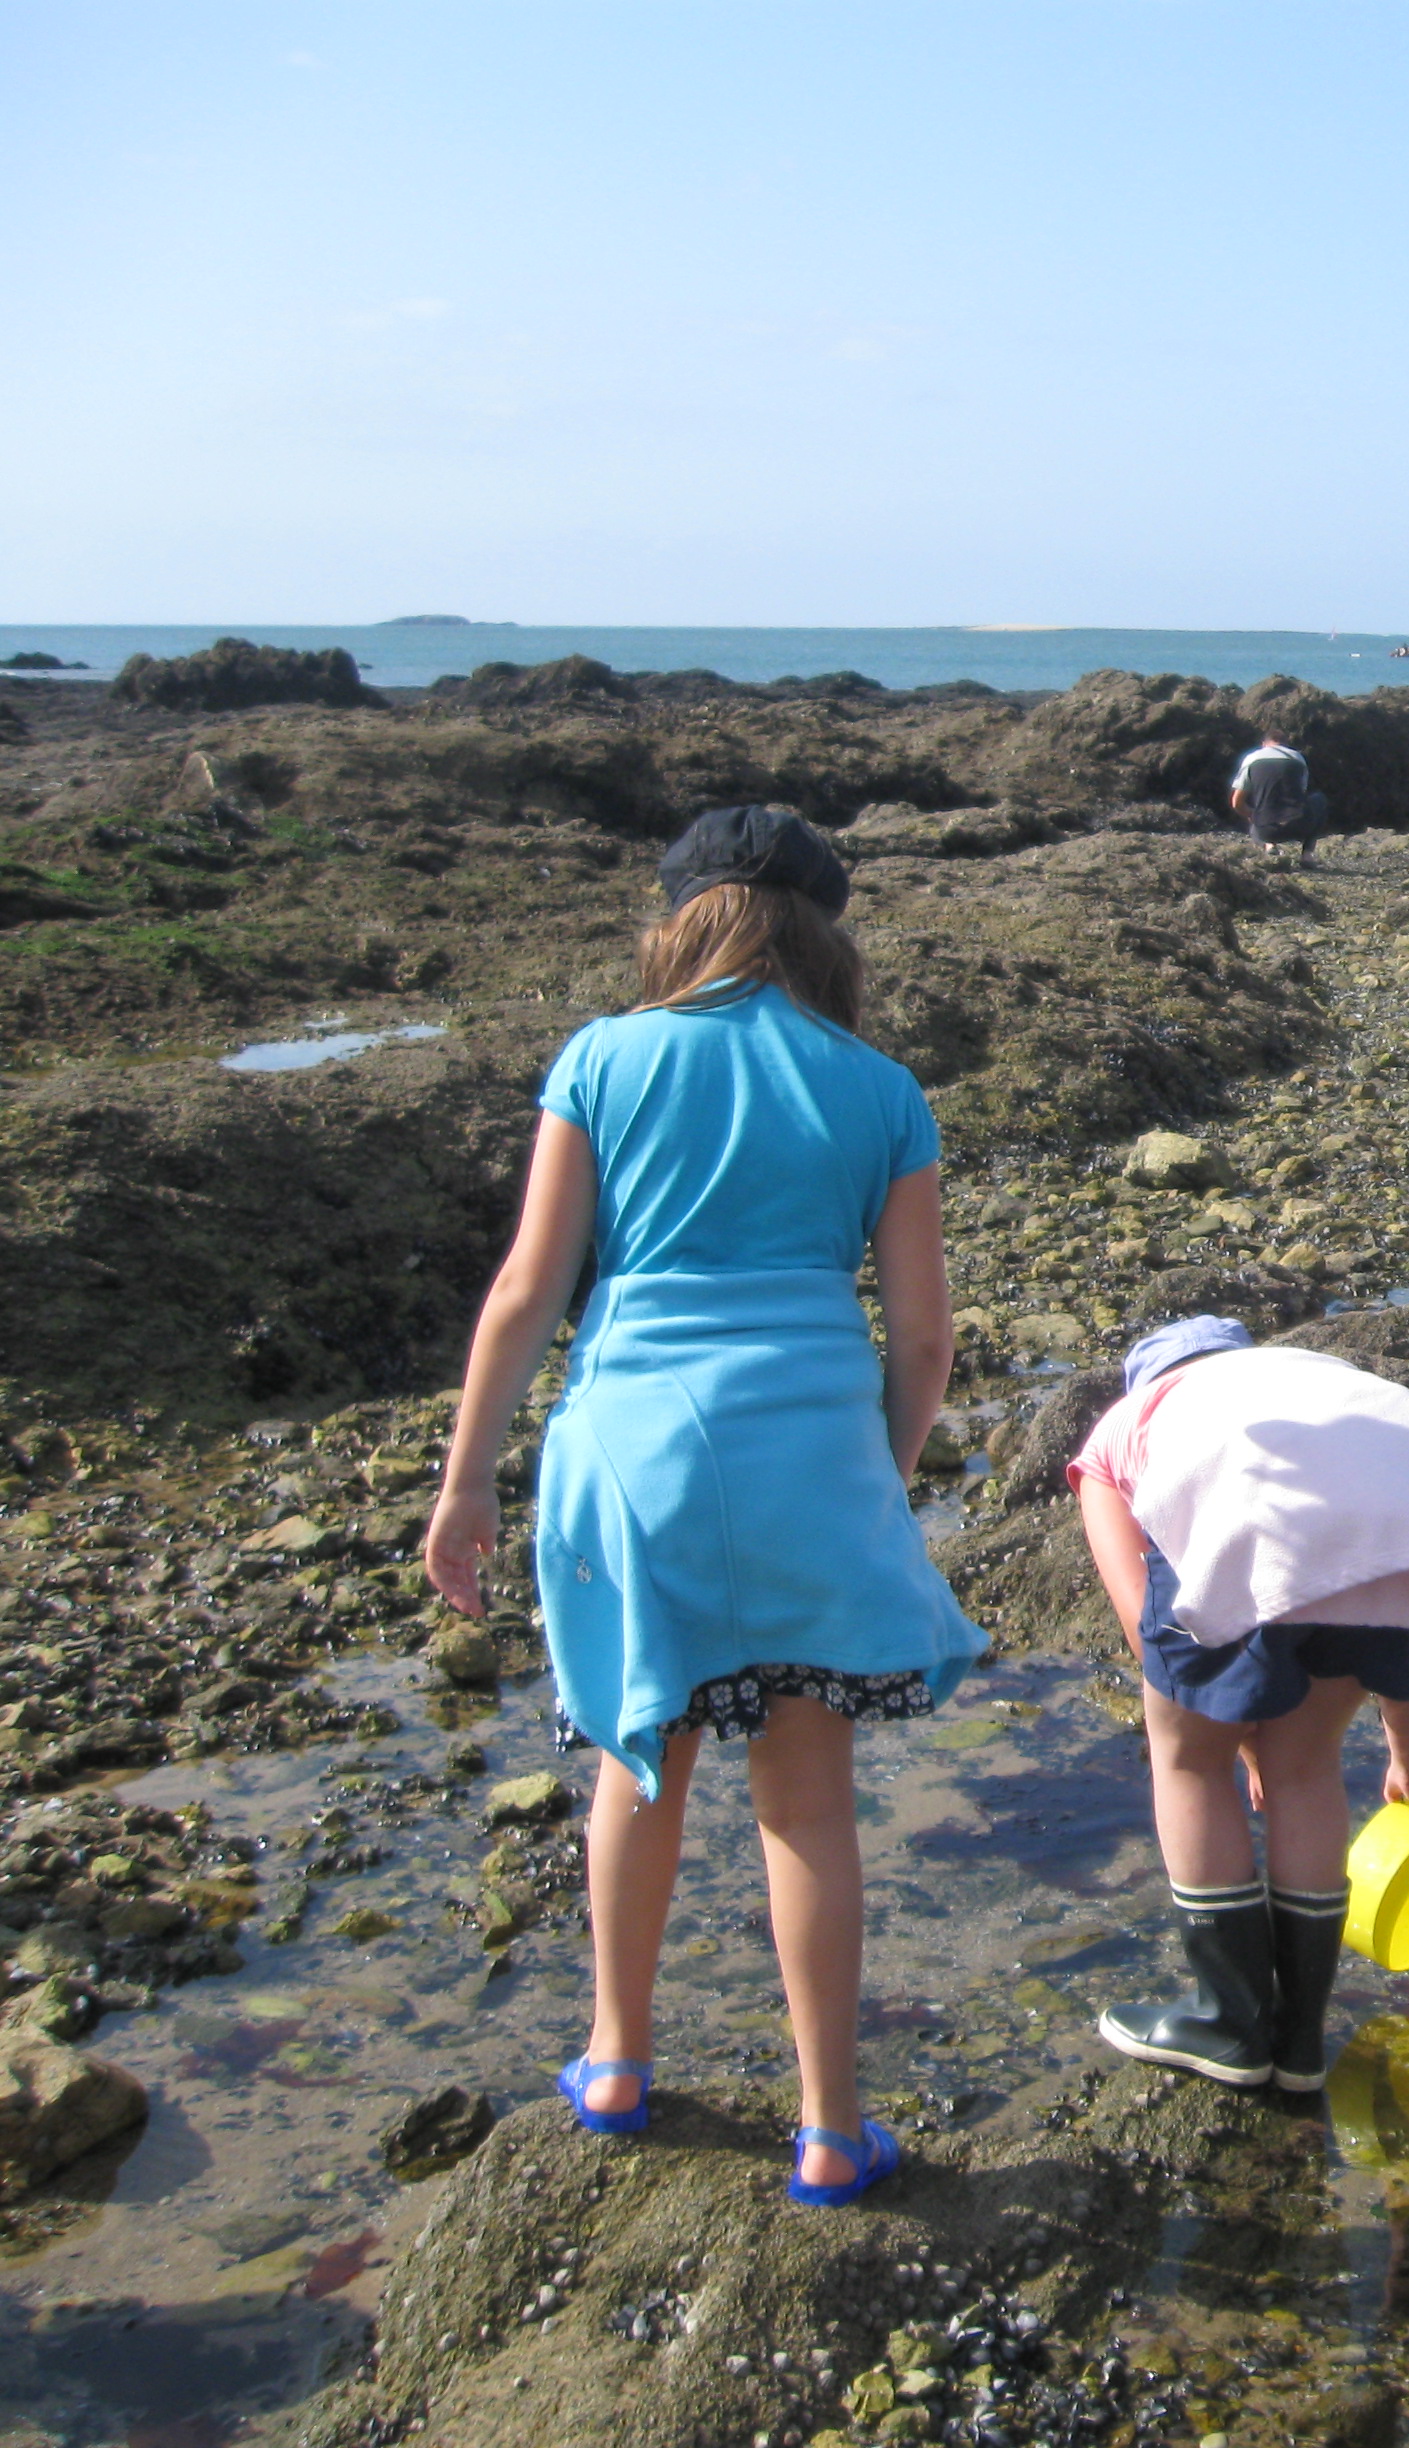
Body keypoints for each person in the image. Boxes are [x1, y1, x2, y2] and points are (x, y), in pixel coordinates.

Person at [425, 804, 984, 2206]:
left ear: (680, 919)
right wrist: (879, 1477)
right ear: (825, 934)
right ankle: (830, 2127)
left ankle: (616, 2060)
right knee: (808, 1802)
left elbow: (527, 1290)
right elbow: (924, 1341)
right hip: (813, 1454)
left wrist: (466, 1479)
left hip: (632, 1454)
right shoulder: (882, 1090)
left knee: (637, 1761)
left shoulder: (601, 1057)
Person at [1069, 1318, 1409, 2091]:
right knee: (1304, 1764)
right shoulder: (1300, 1377)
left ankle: (1231, 2024)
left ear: (1145, 1381)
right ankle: (1299, 2040)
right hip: (1408, 1499)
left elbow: (1148, 1629)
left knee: (1186, 1763)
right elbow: (1391, 1624)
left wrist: (1224, 1736)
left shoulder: (1119, 1432)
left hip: (1243, 1505)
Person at [1231, 729, 1322, 866]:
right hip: (1299, 826)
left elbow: (1236, 803)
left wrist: (1252, 816)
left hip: (1266, 830)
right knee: (1319, 799)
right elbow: (1301, 794)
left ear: (1263, 744)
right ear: (1286, 744)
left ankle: (1268, 844)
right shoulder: (1297, 758)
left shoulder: (1252, 759)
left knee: (1257, 806)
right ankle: (1307, 855)